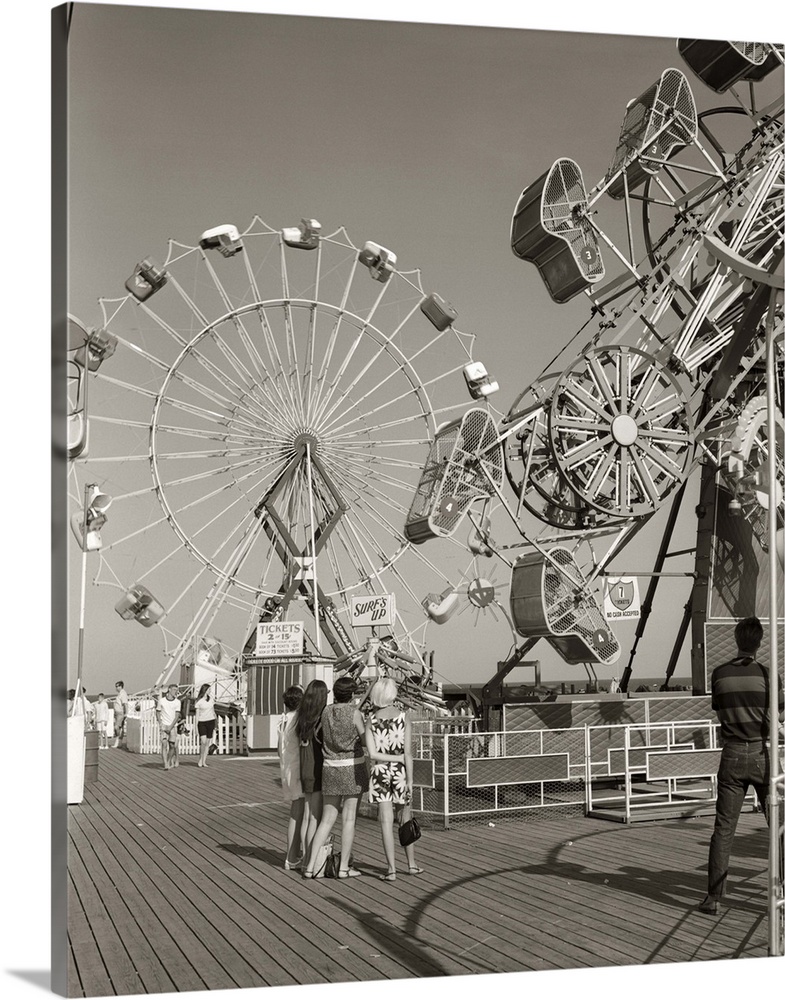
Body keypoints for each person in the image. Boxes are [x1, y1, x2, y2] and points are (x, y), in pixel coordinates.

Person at [700, 616, 784, 915]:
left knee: (723, 830)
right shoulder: (768, 675)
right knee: (779, 826)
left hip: (732, 754)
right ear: (759, 643)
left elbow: (719, 709)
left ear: (737, 640)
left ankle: (713, 897)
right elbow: (780, 717)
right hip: (762, 754)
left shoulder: (719, 674)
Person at [303, 676, 368, 880]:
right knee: (349, 819)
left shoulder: (326, 712)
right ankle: (343, 868)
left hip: (330, 769)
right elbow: (366, 741)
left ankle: (310, 866)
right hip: (352, 768)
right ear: (351, 694)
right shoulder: (355, 714)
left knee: (326, 820)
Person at [365, 677, 423, 881]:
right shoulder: (403, 717)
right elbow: (408, 753)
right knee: (404, 819)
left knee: (385, 821)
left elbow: (372, 754)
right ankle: (412, 864)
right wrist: (410, 778)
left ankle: (391, 869)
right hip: (400, 772)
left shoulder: (371, 720)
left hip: (380, 772)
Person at [297, 680, 328, 861]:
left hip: (304, 767)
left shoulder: (303, 717)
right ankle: (310, 858)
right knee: (314, 818)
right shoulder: (320, 719)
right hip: (316, 768)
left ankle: (304, 855)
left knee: (307, 817)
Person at [278, 685, 308, 869]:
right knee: (299, 813)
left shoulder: (283, 720)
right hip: (298, 769)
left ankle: (294, 853)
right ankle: (292, 856)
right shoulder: (298, 720)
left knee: (296, 812)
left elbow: (278, 749)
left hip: (287, 769)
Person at [157, 684, 182, 770]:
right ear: (169, 690)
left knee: (172, 745)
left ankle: (168, 760)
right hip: (164, 724)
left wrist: (171, 726)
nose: (176, 691)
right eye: (174, 689)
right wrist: (160, 723)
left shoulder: (177, 702)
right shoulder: (161, 701)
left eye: (176, 690)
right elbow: (158, 712)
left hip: (173, 725)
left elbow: (177, 715)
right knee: (164, 744)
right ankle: (165, 764)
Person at [194, 683, 217, 768]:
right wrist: (196, 727)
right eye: (208, 689)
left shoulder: (211, 699)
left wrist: (216, 722)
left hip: (210, 721)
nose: (210, 691)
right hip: (202, 722)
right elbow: (197, 715)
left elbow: (213, 711)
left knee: (207, 742)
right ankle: (200, 759)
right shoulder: (199, 701)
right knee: (203, 742)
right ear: (204, 690)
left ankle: (204, 761)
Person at [113, 681, 129, 748]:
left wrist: (126, 713)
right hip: (117, 713)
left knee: (116, 727)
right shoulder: (119, 694)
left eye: (117, 686)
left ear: (120, 686)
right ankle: (120, 742)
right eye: (116, 686)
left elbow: (125, 704)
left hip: (120, 713)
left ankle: (118, 740)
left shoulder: (123, 694)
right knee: (120, 727)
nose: (116, 688)